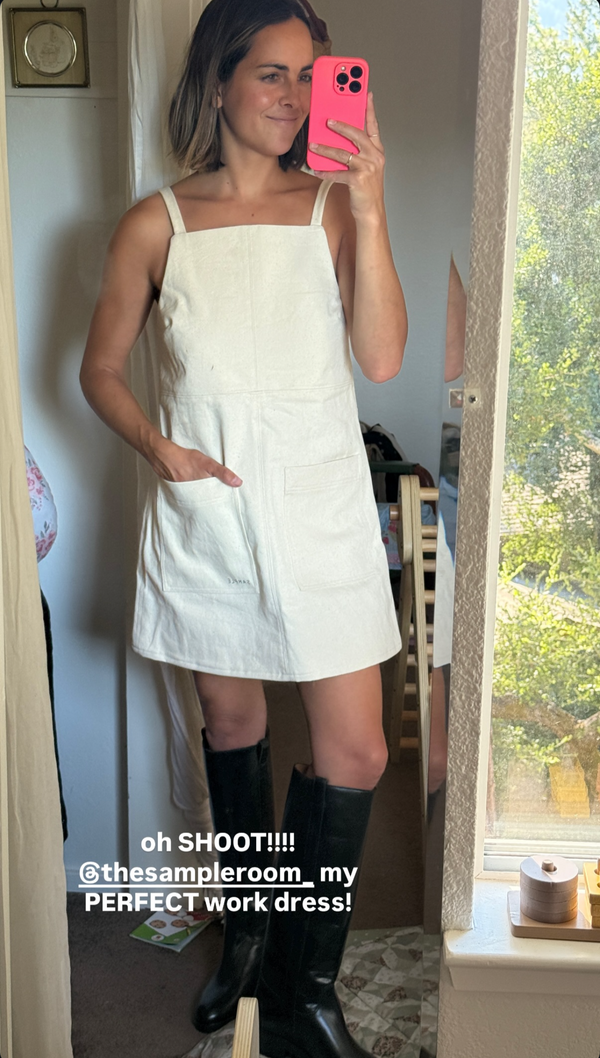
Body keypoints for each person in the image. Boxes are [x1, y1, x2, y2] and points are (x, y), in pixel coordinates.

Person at [80, 1, 407, 1055]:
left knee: (355, 750)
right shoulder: (156, 224)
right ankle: (250, 943)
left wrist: (372, 205)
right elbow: (98, 370)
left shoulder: (336, 209)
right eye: (272, 74)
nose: (296, 98)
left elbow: (383, 357)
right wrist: (159, 448)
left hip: (320, 516)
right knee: (232, 729)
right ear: (218, 81)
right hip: (209, 520)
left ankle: (306, 995)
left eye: (312, 77)